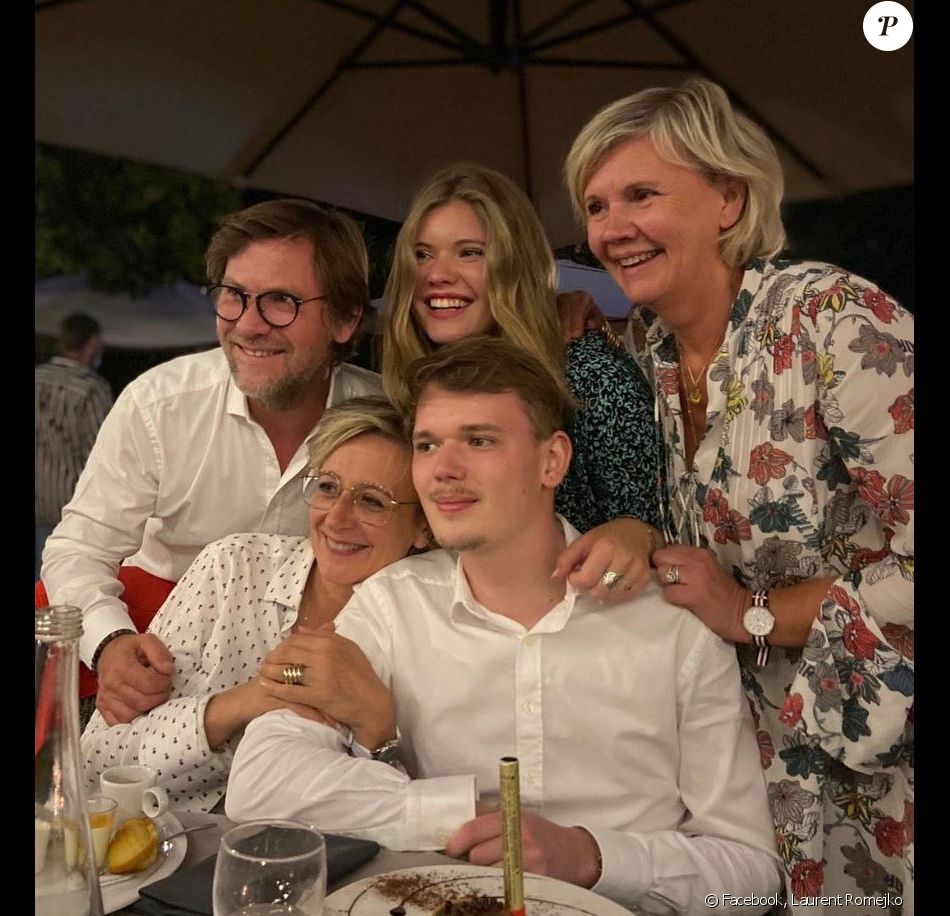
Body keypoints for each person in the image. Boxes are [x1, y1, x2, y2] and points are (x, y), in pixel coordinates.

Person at [227, 338, 781, 915]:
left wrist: (592, 858)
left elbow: (750, 876)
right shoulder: (391, 605)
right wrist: (458, 814)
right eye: (427, 444)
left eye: (480, 440)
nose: (444, 469)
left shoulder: (673, 626)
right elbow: (263, 780)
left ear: (552, 461)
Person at [562, 79, 914, 912]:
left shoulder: (832, 319)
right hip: (745, 782)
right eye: (596, 206)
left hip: (883, 771)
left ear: (730, 198)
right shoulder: (645, 356)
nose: (611, 228)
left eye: (641, 195)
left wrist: (748, 611)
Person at [40, 200, 381, 727]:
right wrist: (110, 643)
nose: (248, 325)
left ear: (345, 318)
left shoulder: (388, 421)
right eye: (234, 296)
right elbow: (77, 549)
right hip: (164, 676)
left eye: (282, 301)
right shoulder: (158, 405)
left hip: (321, 686)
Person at [81, 397, 429, 812]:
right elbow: (96, 760)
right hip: (162, 836)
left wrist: (376, 730)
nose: (336, 519)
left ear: (424, 526)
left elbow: (420, 808)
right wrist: (237, 706)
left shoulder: (432, 624)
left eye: (372, 501)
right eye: (327, 488)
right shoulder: (233, 568)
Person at [381, 163, 665, 600]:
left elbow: (652, 544)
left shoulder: (591, 377)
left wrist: (609, 586)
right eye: (422, 254)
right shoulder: (407, 388)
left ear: (517, 264)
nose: (437, 274)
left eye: (469, 252)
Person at [35, 313, 112, 580]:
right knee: (63, 588)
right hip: (73, 508)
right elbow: (103, 454)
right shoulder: (90, 389)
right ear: (92, 343)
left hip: (38, 502)